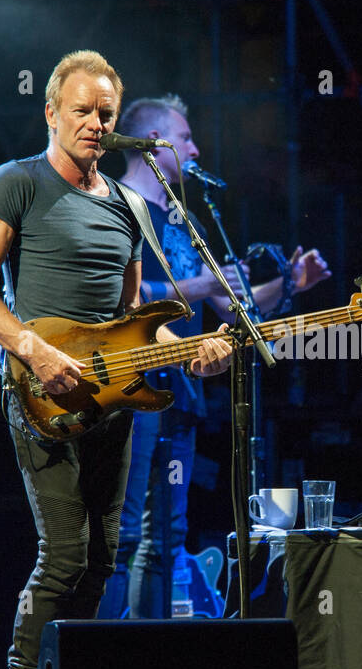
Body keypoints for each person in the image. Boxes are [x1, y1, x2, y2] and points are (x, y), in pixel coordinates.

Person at [0, 52, 233, 669]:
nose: (94, 123)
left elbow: (135, 318)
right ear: (51, 113)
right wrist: (32, 349)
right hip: (39, 389)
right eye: (81, 110)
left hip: (112, 399)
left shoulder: (132, 207)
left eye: (105, 113)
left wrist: (192, 350)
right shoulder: (14, 182)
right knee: (63, 556)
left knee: (106, 557)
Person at [104, 94, 331, 619]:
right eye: (184, 138)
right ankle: (93, 663)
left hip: (181, 393)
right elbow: (120, 297)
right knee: (120, 535)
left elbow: (235, 307)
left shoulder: (187, 222)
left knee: (167, 535)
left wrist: (290, 284)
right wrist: (200, 283)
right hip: (128, 391)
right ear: (155, 145)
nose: (196, 148)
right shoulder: (115, 208)